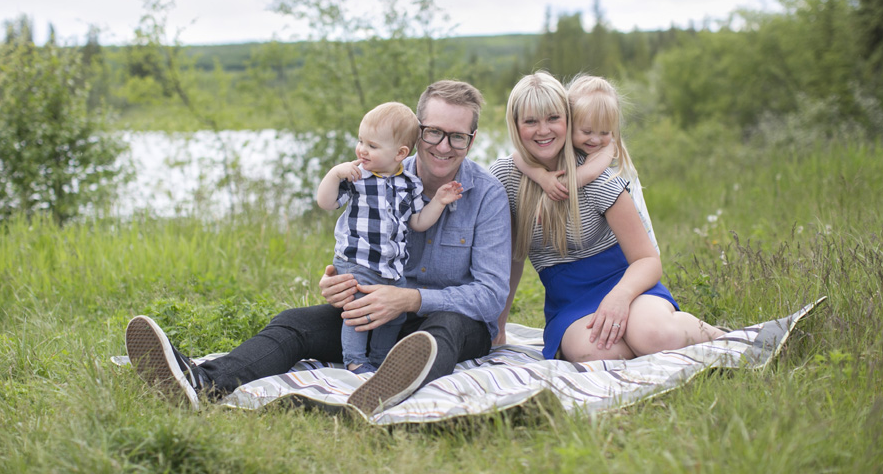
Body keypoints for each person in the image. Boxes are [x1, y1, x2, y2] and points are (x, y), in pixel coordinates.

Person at [125, 81, 511, 415]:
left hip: (448, 321)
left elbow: (491, 296)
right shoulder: (373, 178)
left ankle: (391, 387)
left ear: (471, 139)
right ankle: (200, 383)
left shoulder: (487, 195)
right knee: (296, 322)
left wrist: (409, 300)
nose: (444, 146)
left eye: (457, 136)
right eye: (434, 133)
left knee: (444, 328)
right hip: (370, 307)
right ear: (415, 135)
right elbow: (346, 229)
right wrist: (336, 284)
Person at [489, 71, 722, 363]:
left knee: (654, 335)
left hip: (625, 282)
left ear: (568, 119)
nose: (543, 130)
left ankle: (723, 339)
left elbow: (648, 260)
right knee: (592, 352)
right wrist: (498, 326)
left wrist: (620, 297)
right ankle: (650, 347)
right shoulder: (504, 178)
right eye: (530, 121)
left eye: (553, 118)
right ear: (515, 124)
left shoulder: (596, 176)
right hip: (569, 299)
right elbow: (511, 260)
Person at [316, 101, 463, 375]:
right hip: (358, 263)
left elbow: (418, 222)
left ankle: (381, 359)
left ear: (400, 153)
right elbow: (326, 202)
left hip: (392, 268)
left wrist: (440, 201)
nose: (362, 149)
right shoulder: (356, 177)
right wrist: (335, 173)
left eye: (372, 145)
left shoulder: (409, 183)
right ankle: (355, 360)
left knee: (394, 318)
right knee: (359, 311)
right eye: (361, 141)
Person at [512, 74, 659, 252]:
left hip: (631, 234)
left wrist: (555, 188)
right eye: (587, 131)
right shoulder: (572, 148)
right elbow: (516, 157)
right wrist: (542, 177)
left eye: (605, 132)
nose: (595, 140)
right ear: (570, 122)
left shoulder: (608, 149)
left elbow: (588, 173)